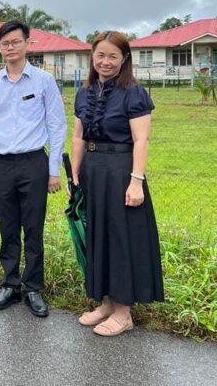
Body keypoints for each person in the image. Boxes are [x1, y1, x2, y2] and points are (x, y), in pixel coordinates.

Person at [71, 31, 164, 337]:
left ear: (124, 59)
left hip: (122, 172)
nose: (106, 62)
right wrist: (75, 174)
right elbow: (78, 136)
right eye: (100, 55)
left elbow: (142, 140)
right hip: (93, 172)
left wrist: (136, 181)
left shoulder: (134, 93)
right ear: (92, 57)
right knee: (98, 237)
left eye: (113, 56)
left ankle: (124, 313)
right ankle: (107, 302)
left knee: (122, 239)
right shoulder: (84, 92)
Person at [0, 20, 66, 317]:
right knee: (7, 227)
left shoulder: (43, 81)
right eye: (5, 43)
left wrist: (54, 170)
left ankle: (33, 287)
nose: (10, 47)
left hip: (34, 163)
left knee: (33, 227)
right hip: (3, 164)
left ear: (27, 44)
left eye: (15, 41)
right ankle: (10, 284)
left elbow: (57, 125)